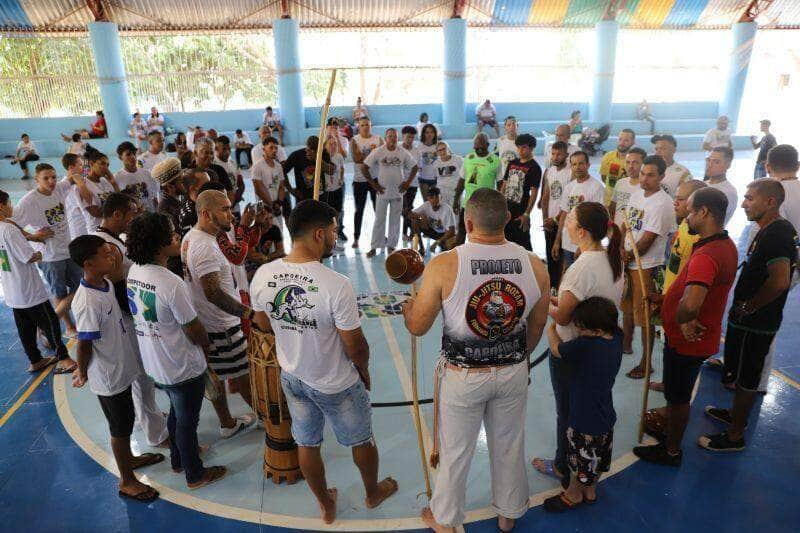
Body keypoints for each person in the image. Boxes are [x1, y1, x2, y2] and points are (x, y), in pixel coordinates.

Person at [403, 188, 549, 533]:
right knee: (509, 443)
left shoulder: (444, 264)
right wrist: (520, 359)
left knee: (455, 452)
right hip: (513, 368)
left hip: (464, 376)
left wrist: (409, 310)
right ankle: (509, 514)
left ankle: (445, 520)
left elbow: (419, 327)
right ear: (509, 220)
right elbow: (539, 322)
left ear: (467, 222)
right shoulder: (535, 265)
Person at [251, 199, 398, 524]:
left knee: (306, 441)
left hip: (292, 375)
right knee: (361, 438)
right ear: (319, 234)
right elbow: (355, 346)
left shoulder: (263, 274)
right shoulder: (336, 284)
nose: (335, 237)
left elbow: (262, 324)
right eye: (333, 231)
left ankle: (325, 503)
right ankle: (372, 493)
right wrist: (364, 370)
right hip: (335, 382)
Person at [632, 187, 737, 465]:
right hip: (696, 339)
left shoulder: (706, 255)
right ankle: (670, 436)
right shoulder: (723, 245)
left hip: (687, 342)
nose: (687, 215)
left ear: (704, 212)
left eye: (691, 210)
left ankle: (671, 450)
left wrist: (682, 320)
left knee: (678, 398)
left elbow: (691, 303)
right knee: (676, 393)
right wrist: (665, 300)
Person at [126, 212, 228, 489]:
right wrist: (207, 347)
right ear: (158, 244)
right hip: (181, 364)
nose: (176, 237)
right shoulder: (171, 283)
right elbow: (193, 329)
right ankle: (194, 473)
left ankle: (178, 459)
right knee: (186, 421)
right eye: (170, 234)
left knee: (175, 412)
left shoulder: (135, 271)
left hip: (156, 361)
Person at [531, 202, 624, 492]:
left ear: (581, 231)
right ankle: (586, 467)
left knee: (568, 411)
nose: (565, 222)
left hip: (574, 350)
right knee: (590, 406)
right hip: (601, 351)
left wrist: (547, 311)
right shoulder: (612, 259)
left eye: (569, 219)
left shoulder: (580, 268)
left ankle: (564, 465)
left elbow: (564, 316)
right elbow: (588, 303)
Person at [700, 179, 796, 452]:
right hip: (750, 321)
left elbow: (780, 281)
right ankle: (735, 415)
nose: (743, 203)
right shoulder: (768, 229)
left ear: (771, 202)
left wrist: (750, 306)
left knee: (747, 378)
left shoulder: (777, 234)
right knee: (740, 373)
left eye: (750, 198)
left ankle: (734, 436)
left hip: (757, 323)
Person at [69, 234, 162, 502]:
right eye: (104, 254)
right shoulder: (86, 301)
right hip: (107, 376)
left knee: (127, 420)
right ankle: (127, 481)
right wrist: (82, 370)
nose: (111, 257)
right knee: (119, 428)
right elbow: (84, 344)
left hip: (121, 365)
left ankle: (130, 460)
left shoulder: (106, 283)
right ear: (88, 263)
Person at [90, 193, 171, 449]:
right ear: (117, 215)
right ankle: (156, 434)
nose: (136, 216)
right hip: (127, 317)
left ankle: (149, 416)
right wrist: (139, 315)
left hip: (127, 314)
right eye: (132, 212)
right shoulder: (108, 247)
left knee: (141, 375)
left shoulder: (110, 240)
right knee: (142, 376)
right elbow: (116, 286)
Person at [182, 190, 257, 437]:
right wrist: (248, 314)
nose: (231, 215)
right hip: (222, 325)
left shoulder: (192, 237)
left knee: (217, 374)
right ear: (206, 214)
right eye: (224, 209)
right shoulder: (205, 248)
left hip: (208, 323)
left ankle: (227, 423)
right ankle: (269, 421)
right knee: (243, 374)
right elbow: (213, 293)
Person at [543, 297, 623, 512]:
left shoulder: (586, 346)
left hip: (583, 419)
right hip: (605, 415)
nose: (578, 332)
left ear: (596, 331)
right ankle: (590, 491)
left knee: (578, 460)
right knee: (597, 456)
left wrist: (553, 327)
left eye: (581, 328)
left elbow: (557, 349)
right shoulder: (616, 337)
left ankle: (573, 494)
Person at [643, 179, 708, 406]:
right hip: (670, 298)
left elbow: (694, 283)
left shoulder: (699, 239)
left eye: (681, 199)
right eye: (676, 197)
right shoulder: (683, 226)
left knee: (680, 354)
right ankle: (667, 382)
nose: (675, 202)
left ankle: (676, 399)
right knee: (668, 344)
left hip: (682, 305)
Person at [0, 189, 74, 374]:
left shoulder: (7, 227)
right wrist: (41, 252)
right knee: (51, 324)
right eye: (9, 204)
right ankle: (64, 358)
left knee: (25, 328)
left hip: (12, 290)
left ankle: (35, 360)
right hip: (29, 290)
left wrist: (33, 237)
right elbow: (28, 257)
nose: (11, 207)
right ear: (2, 206)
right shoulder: (8, 229)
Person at [13, 163, 85, 347]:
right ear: (36, 179)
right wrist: (33, 236)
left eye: (53, 176)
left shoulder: (60, 188)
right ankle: (68, 327)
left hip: (68, 250)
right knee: (59, 293)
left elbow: (72, 176)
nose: (51, 181)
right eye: (46, 178)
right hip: (50, 257)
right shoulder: (29, 201)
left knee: (83, 286)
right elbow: (9, 224)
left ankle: (49, 322)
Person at [621, 155, 675, 379]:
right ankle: (625, 345)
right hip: (629, 261)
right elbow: (627, 226)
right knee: (626, 306)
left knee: (645, 316)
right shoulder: (636, 195)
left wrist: (625, 256)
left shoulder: (662, 203)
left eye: (650, 175)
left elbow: (647, 241)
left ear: (662, 177)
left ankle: (646, 362)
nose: (644, 178)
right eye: (643, 173)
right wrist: (620, 250)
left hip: (646, 265)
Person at [363, 128, 418, 258]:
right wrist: (374, 185)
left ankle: (392, 246)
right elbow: (364, 167)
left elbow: (415, 167)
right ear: (385, 137)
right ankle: (374, 247)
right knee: (379, 220)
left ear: (397, 138)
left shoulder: (402, 152)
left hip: (398, 193)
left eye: (394, 136)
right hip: (382, 192)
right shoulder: (379, 151)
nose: (392, 139)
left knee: (395, 220)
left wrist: (407, 183)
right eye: (390, 136)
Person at [552, 151, 605, 270]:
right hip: (567, 243)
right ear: (571, 166)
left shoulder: (597, 187)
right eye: (574, 164)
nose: (577, 167)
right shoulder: (569, 187)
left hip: (584, 246)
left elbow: (597, 221)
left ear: (588, 165)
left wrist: (584, 245)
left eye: (581, 163)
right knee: (567, 274)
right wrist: (557, 241)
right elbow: (564, 215)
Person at [454, 133, 501, 245]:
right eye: (476, 147)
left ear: (488, 145)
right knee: (462, 231)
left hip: (486, 206)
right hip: (468, 204)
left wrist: (499, 204)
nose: (479, 149)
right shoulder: (468, 158)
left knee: (483, 234)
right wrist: (456, 199)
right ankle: (459, 258)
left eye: (482, 147)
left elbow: (500, 184)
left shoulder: (495, 161)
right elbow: (461, 180)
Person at [500, 133, 541, 250]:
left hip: (520, 211)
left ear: (531, 148)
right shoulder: (512, 163)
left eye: (524, 147)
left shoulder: (534, 167)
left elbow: (534, 192)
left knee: (524, 245)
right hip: (506, 210)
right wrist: (500, 206)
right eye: (518, 147)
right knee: (505, 242)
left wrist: (527, 214)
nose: (520, 150)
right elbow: (504, 185)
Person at [540, 141, 572, 289]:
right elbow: (546, 196)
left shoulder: (571, 172)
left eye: (559, 154)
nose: (555, 157)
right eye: (553, 153)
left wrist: (555, 219)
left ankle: (563, 289)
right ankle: (552, 288)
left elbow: (569, 202)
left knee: (562, 257)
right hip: (550, 222)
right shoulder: (549, 171)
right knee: (551, 256)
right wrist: (545, 219)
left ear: (566, 154)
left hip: (564, 222)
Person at [350, 118, 383, 248]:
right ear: (359, 127)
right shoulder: (354, 140)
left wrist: (369, 157)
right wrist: (374, 155)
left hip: (375, 179)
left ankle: (381, 235)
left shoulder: (379, 139)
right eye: (362, 125)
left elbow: (383, 157)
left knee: (378, 210)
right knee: (359, 210)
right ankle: (356, 238)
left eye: (367, 125)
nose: (365, 127)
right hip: (360, 181)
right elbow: (357, 159)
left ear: (371, 125)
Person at [282, 136, 334, 217]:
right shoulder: (297, 155)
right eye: (309, 149)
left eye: (315, 150)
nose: (309, 152)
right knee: (304, 222)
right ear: (307, 147)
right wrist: (291, 190)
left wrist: (317, 158)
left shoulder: (323, 153)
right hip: (303, 198)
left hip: (320, 197)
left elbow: (331, 171)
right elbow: (282, 172)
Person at [152, 157, 185, 276]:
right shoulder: (165, 210)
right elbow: (173, 243)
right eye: (181, 181)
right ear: (170, 187)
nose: (185, 183)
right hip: (177, 266)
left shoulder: (177, 201)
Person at [408, 187, 456, 254]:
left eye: (437, 196)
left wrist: (437, 242)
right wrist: (420, 217)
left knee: (450, 247)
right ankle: (421, 248)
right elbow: (410, 214)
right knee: (414, 221)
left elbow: (452, 231)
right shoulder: (426, 205)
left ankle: (442, 246)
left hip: (444, 234)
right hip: (432, 230)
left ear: (441, 197)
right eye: (431, 197)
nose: (434, 199)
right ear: (428, 198)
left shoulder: (447, 209)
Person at [252, 137, 287, 230]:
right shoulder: (257, 166)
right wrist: (271, 205)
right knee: (266, 237)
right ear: (264, 149)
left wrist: (279, 203)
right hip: (263, 207)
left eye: (276, 148)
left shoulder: (279, 167)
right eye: (271, 148)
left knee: (279, 234)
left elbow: (281, 187)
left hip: (276, 206)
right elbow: (258, 189)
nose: (274, 150)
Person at [79, 150, 117, 232]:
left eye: (108, 165)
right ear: (92, 164)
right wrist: (117, 208)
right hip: (96, 231)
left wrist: (114, 184)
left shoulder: (107, 182)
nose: (106, 168)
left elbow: (122, 202)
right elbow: (97, 213)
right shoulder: (83, 185)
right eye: (102, 164)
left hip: (112, 229)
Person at [115, 142, 158, 212]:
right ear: (120, 157)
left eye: (134, 153)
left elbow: (154, 198)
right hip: (133, 220)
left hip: (150, 216)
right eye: (128, 154)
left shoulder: (147, 173)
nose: (133, 157)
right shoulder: (117, 178)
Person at [609, 147, 647, 227]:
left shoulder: (646, 188)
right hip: (617, 233)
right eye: (628, 162)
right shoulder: (620, 183)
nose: (630, 166)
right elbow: (612, 209)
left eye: (635, 162)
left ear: (644, 165)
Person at [321, 134, 346, 247]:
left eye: (335, 144)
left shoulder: (339, 156)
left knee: (338, 212)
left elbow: (342, 169)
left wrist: (341, 179)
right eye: (331, 144)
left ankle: (337, 233)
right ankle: (327, 235)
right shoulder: (322, 158)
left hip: (337, 189)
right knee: (327, 214)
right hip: (327, 191)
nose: (333, 146)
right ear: (325, 146)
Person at [600, 128, 635, 206]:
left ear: (633, 142)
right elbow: (603, 177)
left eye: (626, 140)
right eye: (620, 139)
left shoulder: (636, 160)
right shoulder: (608, 157)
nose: (622, 143)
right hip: (608, 202)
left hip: (628, 202)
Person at [399, 126, 422, 244]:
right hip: (400, 185)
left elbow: (416, 168)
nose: (410, 139)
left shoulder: (416, 151)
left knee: (408, 208)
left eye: (412, 137)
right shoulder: (397, 149)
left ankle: (409, 232)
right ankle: (408, 232)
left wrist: (408, 182)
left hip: (412, 184)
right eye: (408, 137)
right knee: (404, 209)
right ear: (403, 136)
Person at [705, 146, 738, 225]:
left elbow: (711, 221)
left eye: (716, 162)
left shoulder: (728, 192)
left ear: (728, 165)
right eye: (708, 160)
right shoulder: (703, 184)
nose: (709, 165)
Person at [214, 135, 245, 215]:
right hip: (221, 210)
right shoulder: (214, 165)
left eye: (229, 148)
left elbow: (241, 184)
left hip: (235, 208)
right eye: (224, 149)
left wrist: (236, 198)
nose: (227, 151)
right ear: (216, 149)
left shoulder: (233, 163)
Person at [62, 153, 89, 240]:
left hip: (85, 222)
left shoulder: (79, 180)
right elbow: (80, 207)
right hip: (78, 226)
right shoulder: (66, 186)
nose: (83, 167)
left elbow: (86, 172)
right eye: (80, 165)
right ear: (71, 167)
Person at [178, 168, 210, 236]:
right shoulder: (189, 216)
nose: (211, 187)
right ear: (192, 188)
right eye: (206, 185)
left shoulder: (203, 203)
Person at [432, 141, 463, 210]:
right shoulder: (435, 164)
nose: (442, 152)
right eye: (439, 150)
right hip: (442, 193)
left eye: (444, 149)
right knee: (443, 215)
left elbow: (464, 176)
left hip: (455, 193)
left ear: (448, 149)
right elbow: (435, 179)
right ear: (437, 152)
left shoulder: (458, 160)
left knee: (455, 215)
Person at [417, 123, 439, 201]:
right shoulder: (419, 146)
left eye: (431, 132)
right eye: (427, 132)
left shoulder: (438, 145)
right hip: (423, 178)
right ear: (423, 134)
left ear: (434, 134)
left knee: (435, 202)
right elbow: (416, 162)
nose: (429, 134)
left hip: (436, 178)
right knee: (426, 203)